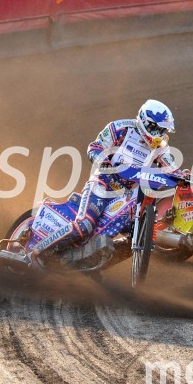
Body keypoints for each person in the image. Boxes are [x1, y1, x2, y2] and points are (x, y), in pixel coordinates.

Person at [29, 99, 181, 265]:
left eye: (163, 130)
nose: (159, 134)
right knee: (85, 225)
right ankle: (35, 252)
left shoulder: (161, 146)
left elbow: (171, 169)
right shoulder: (121, 128)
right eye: (156, 128)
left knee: (140, 238)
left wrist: (183, 177)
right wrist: (103, 160)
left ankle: (92, 263)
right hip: (103, 183)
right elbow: (94, 147)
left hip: (128, 195)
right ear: (145, 122)